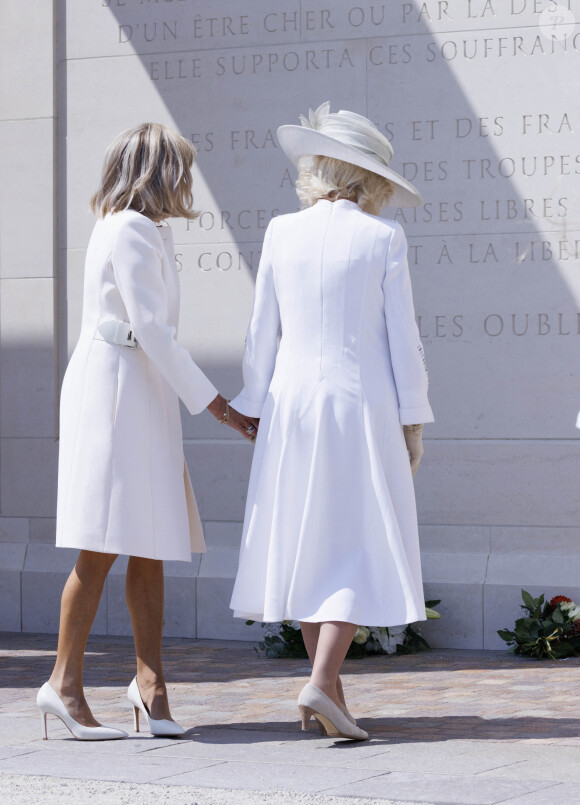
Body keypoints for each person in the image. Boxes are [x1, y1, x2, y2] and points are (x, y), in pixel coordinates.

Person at [37, 123, 257, 741]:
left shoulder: (141, 228)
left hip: (139, 391)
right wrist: (220, 407)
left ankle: (150, 684)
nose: (188, 181)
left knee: (152, 539)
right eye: (181, 169)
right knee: (104, 540)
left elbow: (153, 337)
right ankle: (63, 684)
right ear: (160, 173)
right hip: (118, 394)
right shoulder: (129, 228)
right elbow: (153, 330)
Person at [229, 103, 434, 741]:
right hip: (360, 403)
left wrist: (252, 404)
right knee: (353, 544)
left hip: (291, 404)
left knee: (314, 540)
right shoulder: (383, 239)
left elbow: (261, 331)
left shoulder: (279, 232)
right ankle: (320, 685)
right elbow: (405, 341)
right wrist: (414, 419)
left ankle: (331, 695)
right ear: (368, 177)